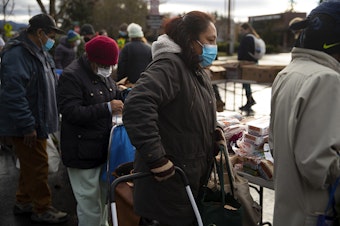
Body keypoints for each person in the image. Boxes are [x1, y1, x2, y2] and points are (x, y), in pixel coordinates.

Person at [123, 11, 222, 226]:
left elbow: (189, 111)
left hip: (188, 176)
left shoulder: (196, 69)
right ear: (190, 39)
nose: (214, 47)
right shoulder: (170, 66)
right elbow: (137, 105)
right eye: (210, 40)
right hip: (170, 182)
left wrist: (214, 131)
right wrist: (156, 159)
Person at [269, 2, 340, 226]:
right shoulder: (326, 79)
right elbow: (319, 166)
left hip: (289, 210)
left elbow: (274, 144)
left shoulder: (288, 72)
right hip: (316, 214)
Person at [0, 13, 68, 224]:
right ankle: (42, 208)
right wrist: (27, 125)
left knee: (30, 163)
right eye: (50, 34)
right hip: (28, 124)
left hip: (38, 120)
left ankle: (23, 200)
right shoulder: (18, 54)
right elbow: (13, 94)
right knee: (39, 165)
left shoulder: (38, 51)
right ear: (39, 32)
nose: (52, 39)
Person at [57, 36, 129, 226]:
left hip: (100, 150)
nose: (109, 69)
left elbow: (113, 92)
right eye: (106, 65)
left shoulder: (101, 73)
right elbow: (70, 111)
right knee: (90, 207)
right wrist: (106, 108)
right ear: (92, 60)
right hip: (81, 153)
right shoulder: (71, 76)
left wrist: (127, 94)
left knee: (103, 201)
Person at [237, 22, 259, 113]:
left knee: (246, 83)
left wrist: (240, 61)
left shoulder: (247, 38)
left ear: (247, 29)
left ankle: (249, 101)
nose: (241, 32)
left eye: (242, 30)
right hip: (253, 63)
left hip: (246, 64)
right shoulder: (254, 37)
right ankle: (250, 100)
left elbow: (244, 52)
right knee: (247, 83)